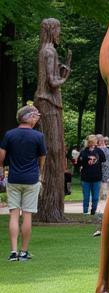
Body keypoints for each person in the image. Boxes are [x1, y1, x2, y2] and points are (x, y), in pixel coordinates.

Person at [1, 106, 47, 261]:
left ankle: (13, 252)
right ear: (30, 117)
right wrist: (40, 173)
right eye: (36, 116)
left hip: (14, 178)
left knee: (14, 214)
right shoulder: (38, 136)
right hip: (31, 179)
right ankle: (23, 252)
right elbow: (42, 158)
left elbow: (1, 156)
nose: (37, 119)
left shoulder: (9, 135)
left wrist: (3, 169)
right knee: (27, 215)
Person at [75, 134, 105, 217]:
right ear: (89, 142)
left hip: (97, 177)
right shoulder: (84, 152)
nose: (94, 142)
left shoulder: (99, 151)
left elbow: (103, 160)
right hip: (86, 178)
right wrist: (77, 160)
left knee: (95, 197)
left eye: (95, 141)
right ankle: (85, 212)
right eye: (92, 141)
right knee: (86, 197)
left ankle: (93, 211)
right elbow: (79, 163)